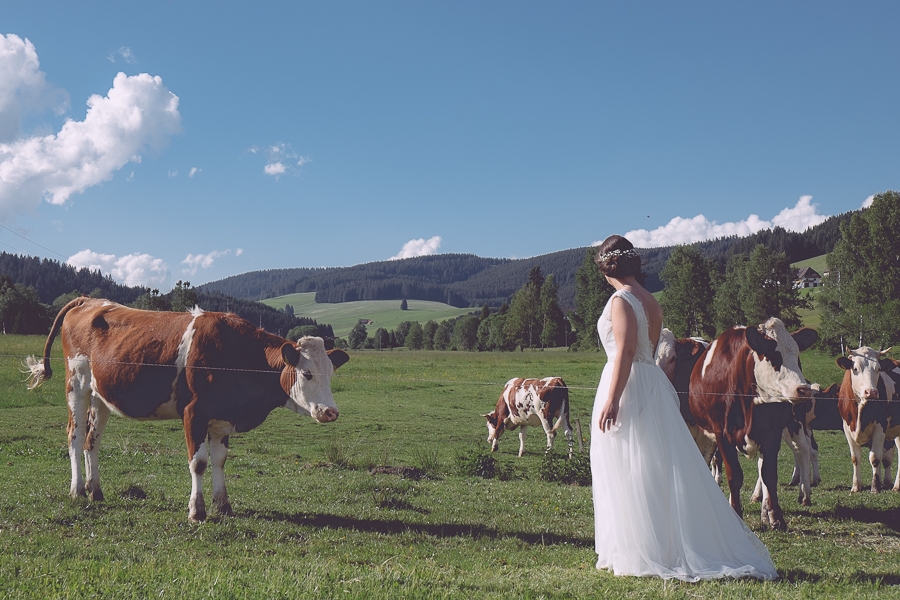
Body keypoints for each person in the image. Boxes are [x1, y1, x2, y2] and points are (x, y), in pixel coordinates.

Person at [590, 234, 778, 581]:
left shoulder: (620, 300)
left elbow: (627, 352)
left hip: (629, 384)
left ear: (605, 266)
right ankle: (654, 542)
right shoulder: (651, 301)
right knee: (653, 463)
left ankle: (640, 548)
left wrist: (613, 399)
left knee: (630, 463)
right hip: (652, 385)